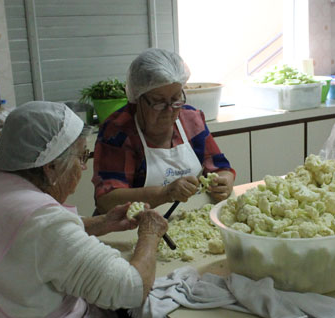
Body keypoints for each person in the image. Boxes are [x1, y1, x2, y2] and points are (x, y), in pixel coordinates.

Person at [0, 101, 168, 318]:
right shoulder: (43, 222)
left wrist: (102, 223)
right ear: (50, 167)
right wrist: (150, 234)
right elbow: (133, 289)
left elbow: (28, 242)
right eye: (82, 157)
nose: (84, 167)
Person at [92, 48, 236, 214]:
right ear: (137, 99)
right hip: (132, 227)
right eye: (158, 102)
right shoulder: (118, 131)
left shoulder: (191, 120)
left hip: (187, 219)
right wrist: (164, 193)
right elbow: (107, 200)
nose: (169, 110)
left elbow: (221, 168)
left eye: (175, 99)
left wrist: (224, 181)